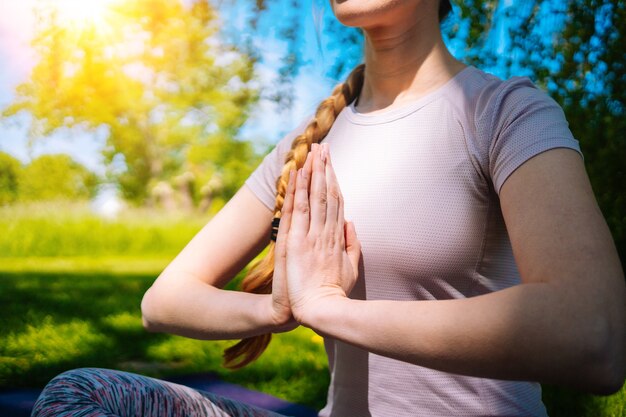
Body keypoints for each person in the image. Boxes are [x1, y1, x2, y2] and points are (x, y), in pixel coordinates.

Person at [32, 0, 625, 416]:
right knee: (81, 396)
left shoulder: (505, 112)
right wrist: (280, 309)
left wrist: (329, 310)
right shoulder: (312, 140)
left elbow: (594, 337)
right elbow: (163, 300)